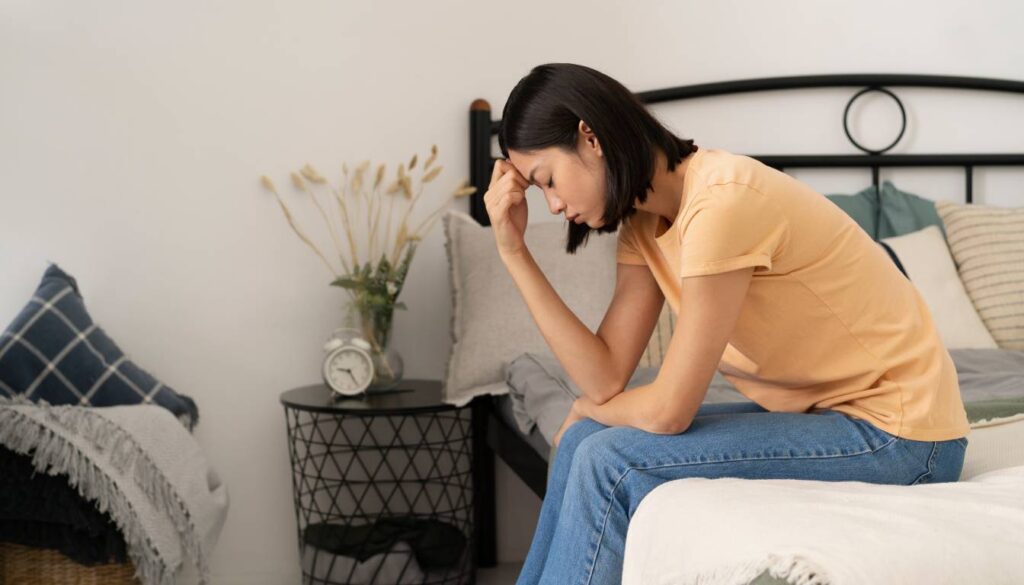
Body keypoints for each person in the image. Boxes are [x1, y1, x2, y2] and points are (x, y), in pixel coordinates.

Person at [484, 63, 971, 585]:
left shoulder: (721, 202)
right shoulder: (645, 223)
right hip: (834, 415)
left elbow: (670, 411)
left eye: (550, 181)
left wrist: (586, 410)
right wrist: (513, 251)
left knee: (608, 458)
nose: (554, 205)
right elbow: (604, 378)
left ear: (590, 136)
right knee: (585, 441)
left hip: (905, 436)